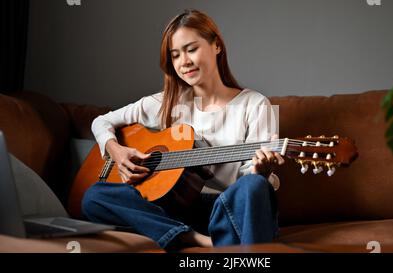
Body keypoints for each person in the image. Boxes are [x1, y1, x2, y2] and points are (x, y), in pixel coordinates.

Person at [81, 9, 285, 251]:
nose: (183, 62)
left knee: (254, 187)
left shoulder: (256, 104)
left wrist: (260, 172)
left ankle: (233, 245)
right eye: (175, 55)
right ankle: (196, 239)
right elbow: (101, 122)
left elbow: (249, 190)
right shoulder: (165, 102)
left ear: (216, 45)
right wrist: (115, 151)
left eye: (191, 49)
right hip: (173, 212)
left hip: (225, 208)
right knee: (94, 196)